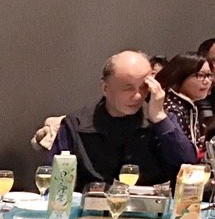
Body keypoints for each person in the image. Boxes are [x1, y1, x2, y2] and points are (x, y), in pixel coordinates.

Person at [49, 49, 195, 189]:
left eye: (143, 87)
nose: (138, 96)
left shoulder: (159, 121)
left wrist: (160, 119)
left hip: (146, 204)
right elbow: (53, 179)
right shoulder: (77, 125)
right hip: (91, 203)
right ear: (105, 88)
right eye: (128, 88)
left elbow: (187, 165)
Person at [158, 51, 213, 164]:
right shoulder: (172, 109)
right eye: (200, 75)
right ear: (179, 76)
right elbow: (182, 155)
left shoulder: (188, 105)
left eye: (209, 75)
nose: (207, 81)